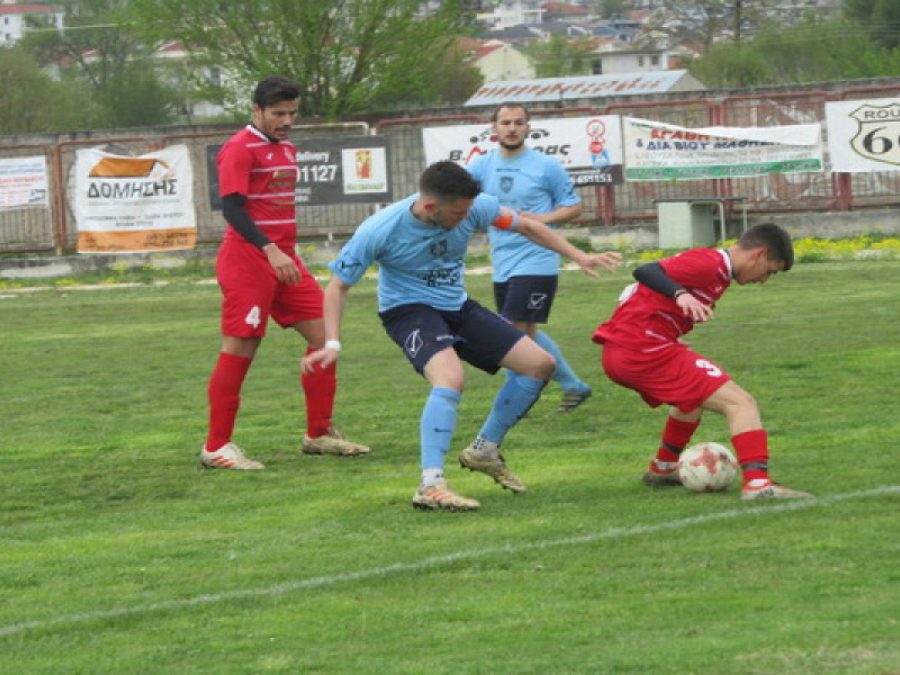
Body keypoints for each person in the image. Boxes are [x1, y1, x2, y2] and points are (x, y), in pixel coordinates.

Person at [303, 161, 622, 510]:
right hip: (408, 312)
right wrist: (332, 342)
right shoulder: (380, 229)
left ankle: (485, 450)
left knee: (539, 364)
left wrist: (580, 256)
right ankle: (430, 485)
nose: (466, 219)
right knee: (450, 379)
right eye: (458, 213)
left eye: (469, 210)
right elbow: (336, 288)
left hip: (457, 307)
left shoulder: (474, 207)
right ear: (429, 207)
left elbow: (528, 225)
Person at [201, 75, 369, 470]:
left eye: (292, 113)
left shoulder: (288, 148)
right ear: (256, 110)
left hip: (284, 262)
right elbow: (232, 209)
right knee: (242, 347)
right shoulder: (239, 149)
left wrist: (283, 253)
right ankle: (216, 446)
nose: (286, 120)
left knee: (326, 340)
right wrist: (270, 249)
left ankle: (318, 433)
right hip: (249, 262)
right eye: (278, 113)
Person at [593, 223, 811, 500]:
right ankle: (758, 484)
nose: (764, 280)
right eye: (769, 271)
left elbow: (637, 295)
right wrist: (679, 295)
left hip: (631, 349)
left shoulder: (719, 272)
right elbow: (645, 271)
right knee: (741, 403)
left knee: (690, 401)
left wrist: (664, 331)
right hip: (642, 350)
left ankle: (663, 467)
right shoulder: (709, 263)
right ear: (759, 254)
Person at [467, 103, 593, 413]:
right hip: (502, 262)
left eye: (518, 122)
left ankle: (515, 401)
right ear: (494, 128)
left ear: (528, 127)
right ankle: (573, 386)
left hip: (538, 258)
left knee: (511, 332)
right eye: (505, 122)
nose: (511, 128)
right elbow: (461, 196)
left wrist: (540, 219)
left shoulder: (545, 166)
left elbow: (573, 206)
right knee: (526, 333)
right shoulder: (482, 167)